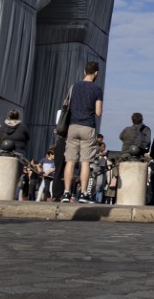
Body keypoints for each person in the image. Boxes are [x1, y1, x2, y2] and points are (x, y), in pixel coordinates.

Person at [60, 61, 103, 203]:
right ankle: (83, 193)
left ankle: (66, 193)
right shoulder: (97, 89)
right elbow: (98, 112)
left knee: (70, 161)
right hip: (87, 127)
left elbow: (67, 105)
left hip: (73, 126)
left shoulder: (74, 87)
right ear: (96, 73)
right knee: (85, 162)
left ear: (84, 71)